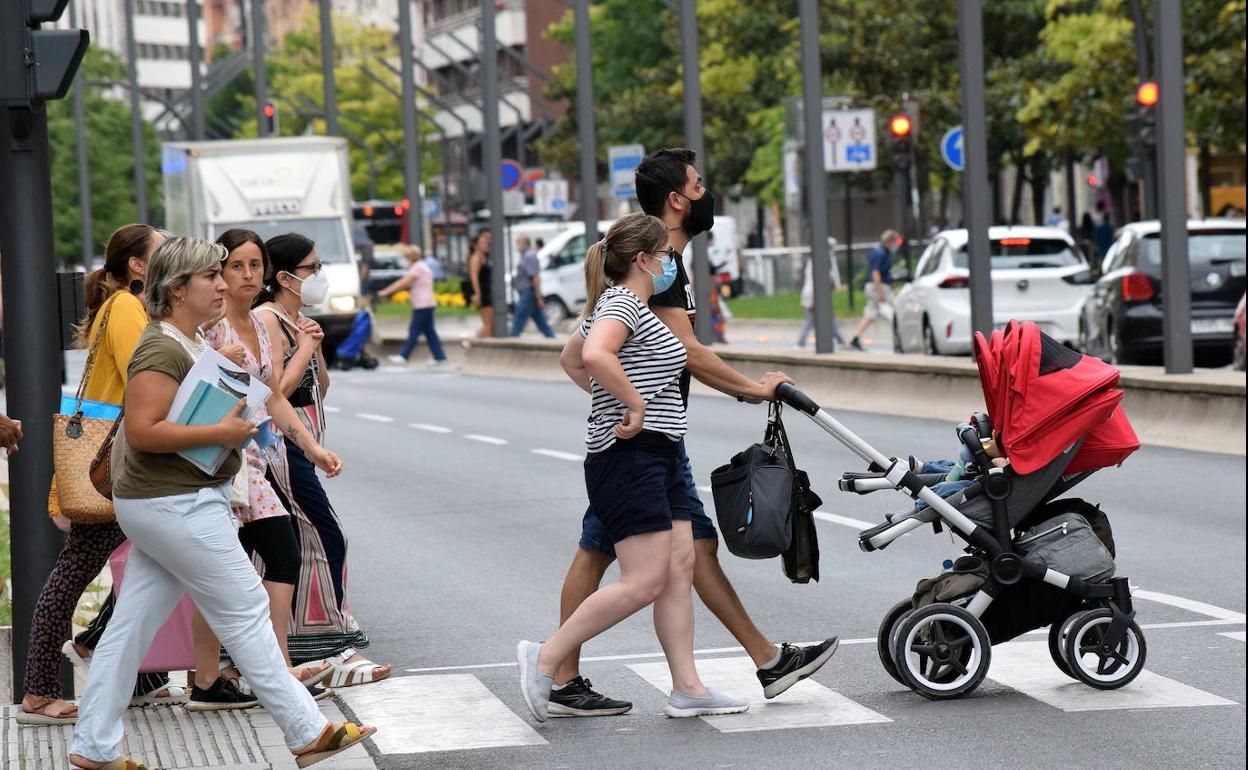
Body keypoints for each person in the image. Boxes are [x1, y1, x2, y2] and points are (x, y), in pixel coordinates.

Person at [545, 148, 838, 718]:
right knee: (628, 555)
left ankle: (738, 668)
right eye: (700, 185)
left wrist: (619, 404)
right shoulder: (660, 271)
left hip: (651, 438)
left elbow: (582, 354)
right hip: (645, 445)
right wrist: (753, 390)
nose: (707, 194)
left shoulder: (660, 263)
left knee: (671, 552)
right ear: (678, 198)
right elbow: (688, 353)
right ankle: (556, 670)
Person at [67, 236, 375, 770]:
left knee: (130, 626)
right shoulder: (160, 346)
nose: (222, 283)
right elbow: (142, 431)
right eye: (210, 276)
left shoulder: (185, 339)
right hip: (175, 503)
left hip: (170, 501)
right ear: (177, 287)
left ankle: (93, 747)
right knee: (247, 608)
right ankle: (306, 732)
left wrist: (223, 366)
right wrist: (223, 429)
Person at [519, 213, 749, 722]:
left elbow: (571, 359)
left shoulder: (626, 306)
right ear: (643, 260)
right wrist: (631, 405)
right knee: (643, 580)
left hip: (658, 454)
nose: (672, 263)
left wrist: (617, 400)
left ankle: (688, 688)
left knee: (677, 570)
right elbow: (595, 356)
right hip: (630, 456)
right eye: (666, 255)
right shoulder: (622, 304)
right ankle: (547, 656)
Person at [18, 224, 182, 727]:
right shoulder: (129, 309)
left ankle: (136, 674)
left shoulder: (126, 307)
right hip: (113, 461)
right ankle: (42, 692)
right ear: (138, 266)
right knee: (77, 573)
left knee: (160, 560)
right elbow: (147, 371)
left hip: (117, 458)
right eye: (161, 251)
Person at [203, 228, 342, 702]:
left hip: (254, 463)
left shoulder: (262, 327)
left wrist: (312, 448)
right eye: (236, 266)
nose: (247, 274)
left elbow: (275, 397)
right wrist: (217, 357)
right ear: (219, 272)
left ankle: (265, 667)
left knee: (276, 554)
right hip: (213, 462)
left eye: (254, 265)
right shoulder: (212, 327)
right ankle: (222, 674)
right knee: (231, 567)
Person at [254, 233, 393, 687]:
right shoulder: (268, 319)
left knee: (292, 543)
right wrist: (308, 348)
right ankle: (332, 645)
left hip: (301, 439)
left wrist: (314, 347)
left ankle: (292, 644)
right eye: (312, 268)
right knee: (324, 533)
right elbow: (274, 391)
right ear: (285, 277)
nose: (320, 275)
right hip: (278, 444)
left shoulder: (298, 319)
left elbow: (319, 387)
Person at [379, 244, 447, 365]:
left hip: (423, 304)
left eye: (406, 257)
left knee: (414, 330)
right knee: (429, 331)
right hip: (426, 303)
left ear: (410, 257)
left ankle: (404, 355)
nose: (405, 260)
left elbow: (403, 283)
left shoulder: (418, 268)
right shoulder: (421, 266)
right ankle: (439, 356)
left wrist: (386, 292)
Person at [848, 229, 902, 351]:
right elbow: (875, 272)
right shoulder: (880, 253)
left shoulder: (881, 251)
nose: (896, 245)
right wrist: (880, 291)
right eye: (895, 242)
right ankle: (900, 336)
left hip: (876, 285)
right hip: (878, 286)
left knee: (871, 313)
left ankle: (855, 338)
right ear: (890, 241)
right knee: (897, 308)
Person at [509, 235, 556, 338]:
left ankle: (511, 338)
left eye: (519, 242)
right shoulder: (525, 255)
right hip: (526, 292)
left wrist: (538, 297)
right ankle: (551, 337)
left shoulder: (529, 256)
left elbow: (535, 277)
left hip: (529, 292)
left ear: (525, 243)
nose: (517, 245)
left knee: (519, 318)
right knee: (540, 320)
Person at [796, 252, 845, 349]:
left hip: (811, 293)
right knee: (811, 320)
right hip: (815, 294)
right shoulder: (818, 263)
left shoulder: (809, 263)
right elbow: (823, 278)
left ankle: (840, 340)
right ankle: (800, 342)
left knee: (828, 318)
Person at [466, 229, 495, 338]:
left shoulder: (485, 258)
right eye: (482, 243)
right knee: (488, 325)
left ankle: (479, 345)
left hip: (487, 291)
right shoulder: (475, 258)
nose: (486, 245)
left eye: (486, 243)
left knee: (489, 324)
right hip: (482, 292)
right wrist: (477, 294)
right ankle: (472, 345)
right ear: (476, 245)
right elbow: (474, 277)